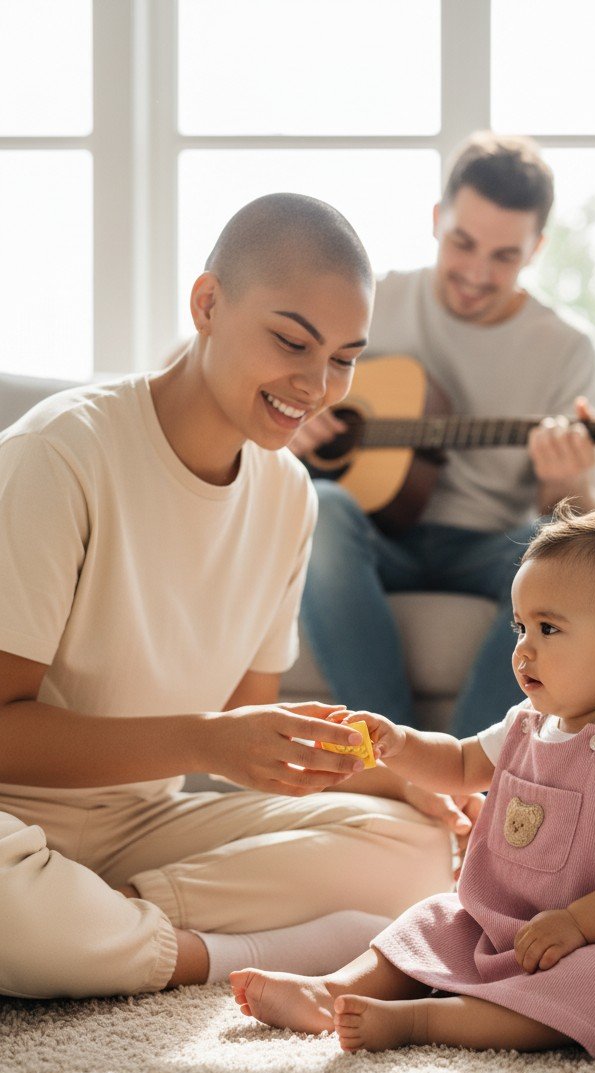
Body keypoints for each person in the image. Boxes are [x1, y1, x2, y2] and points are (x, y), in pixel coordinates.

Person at [0, 193, 472, 1003]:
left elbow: (250, 737)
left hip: (139, 830)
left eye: (345, 358)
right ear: (208, 304)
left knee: (419, 846)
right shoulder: (60, 453)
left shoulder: (290, 495)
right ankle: (204, 953)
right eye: (292, 341)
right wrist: (205, 742)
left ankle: (101, 926)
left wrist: (396, 779)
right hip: (11, 820)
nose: (317, 386)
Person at [231, 505, 595, 1056]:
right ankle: (333, 990)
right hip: (518, 926)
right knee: (435, 919)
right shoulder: (528, 723)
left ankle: (423, 1021)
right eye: (521, 627)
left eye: (548, 628)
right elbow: (460, 764)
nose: (523, 648)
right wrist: (397, 744)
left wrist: (578, 925)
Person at [290, 132, 595, 740]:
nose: (477, 273)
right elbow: (266, 381)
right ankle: (390, 751)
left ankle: (467, 770)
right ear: (437, 220)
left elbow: (574, 520)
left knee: (560, 547)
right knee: (319, 506)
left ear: (536, 250)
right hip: (373, 537)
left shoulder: (568, 349)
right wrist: (300, 424)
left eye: (504, 256)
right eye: (462, 243)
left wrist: (568, 481)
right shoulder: (368, 300)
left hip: (492, 548)